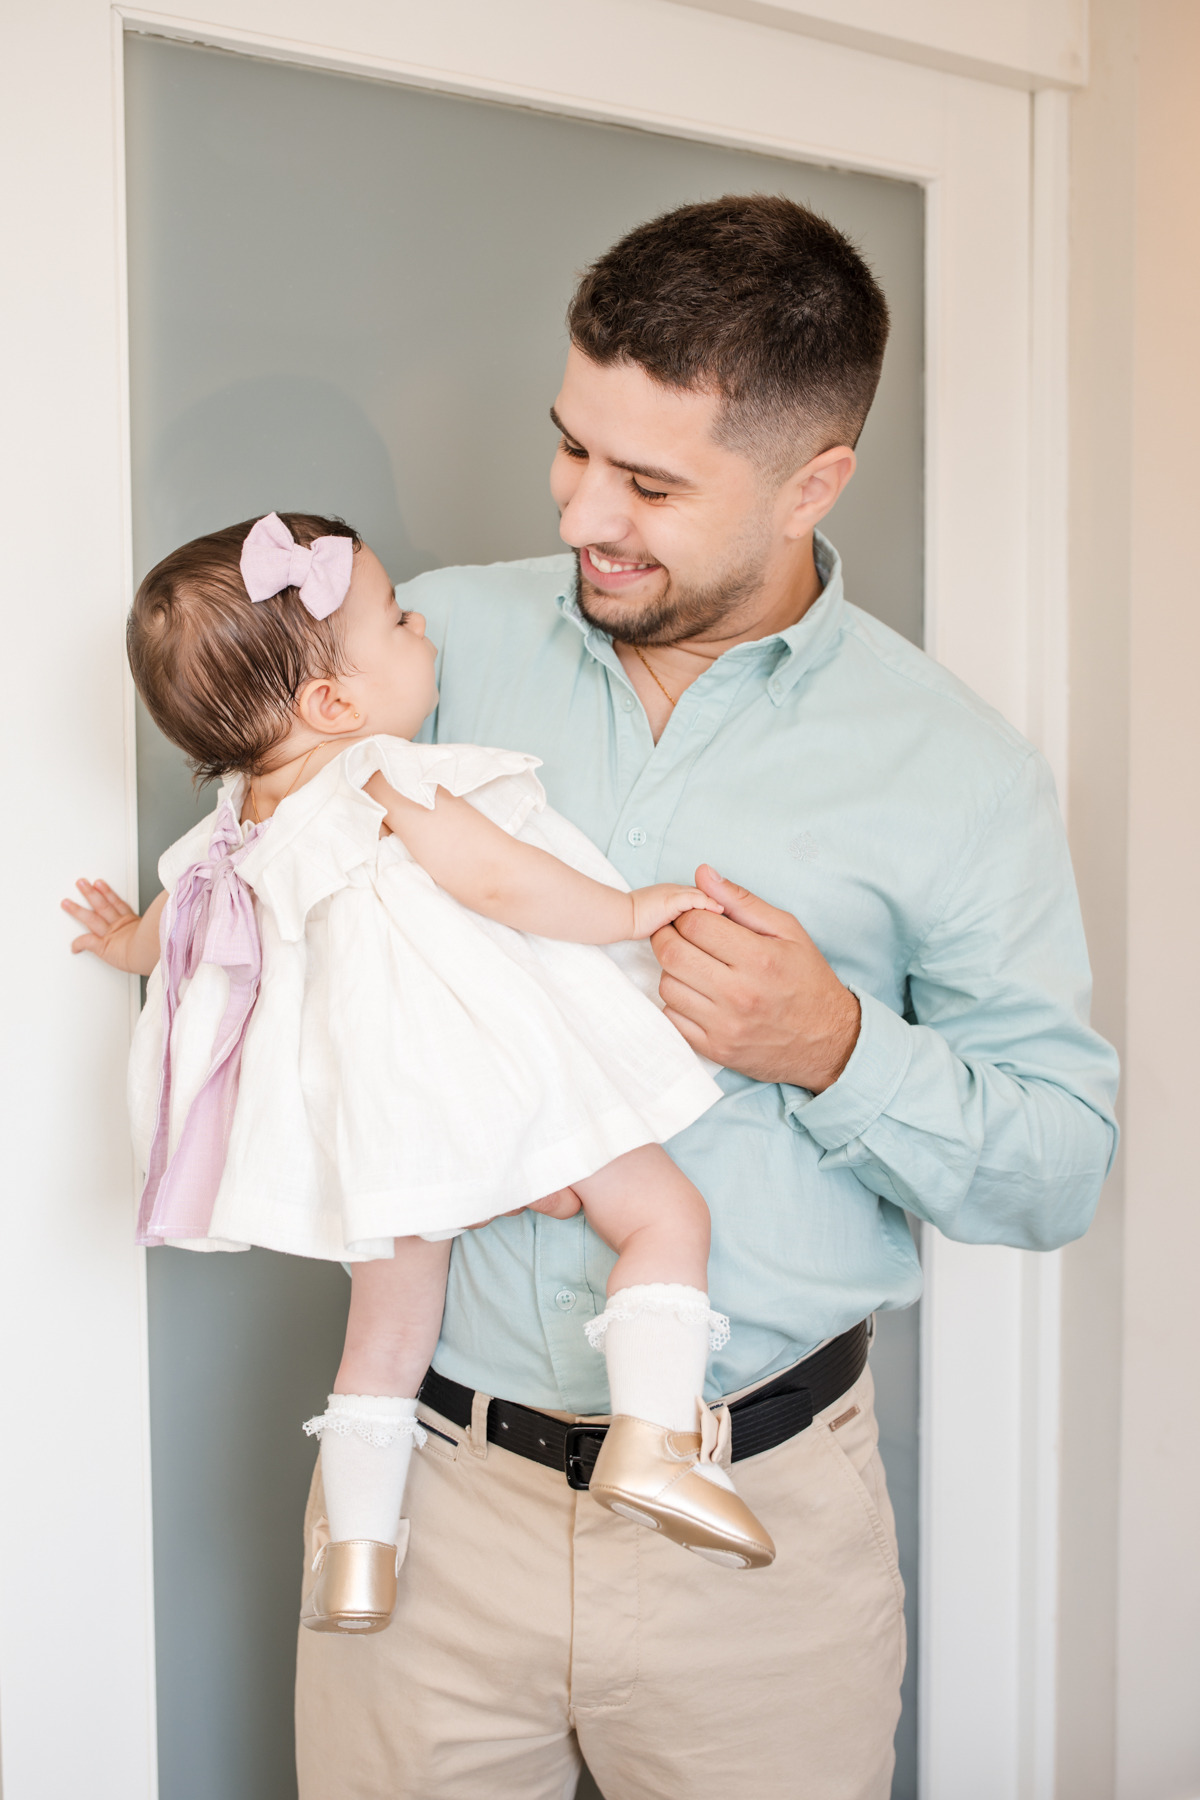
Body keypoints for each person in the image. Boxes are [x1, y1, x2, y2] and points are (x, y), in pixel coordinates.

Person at [283, 195, 1118, 1799]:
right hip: (428, 1504)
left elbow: (1057, 1166)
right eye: (571, 444)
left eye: (650, 483)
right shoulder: (425, 642)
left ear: (814, 484)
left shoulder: (960, 775)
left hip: (766, 1546)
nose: (580, 507)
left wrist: (835, 1048)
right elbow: (277, 931)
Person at [63, 507, 782, 1631]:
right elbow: (500, 879)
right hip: (481, 1074)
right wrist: (630, 909)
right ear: (336, 708)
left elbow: (173, 934)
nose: (424, 625)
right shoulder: (380, 778)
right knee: (663, 1219)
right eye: (399, 620)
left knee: (386, 1337)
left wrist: (120, 946)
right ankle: (658, 1439)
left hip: (369, 1124)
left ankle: (356, 1556)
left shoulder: (234, 835)